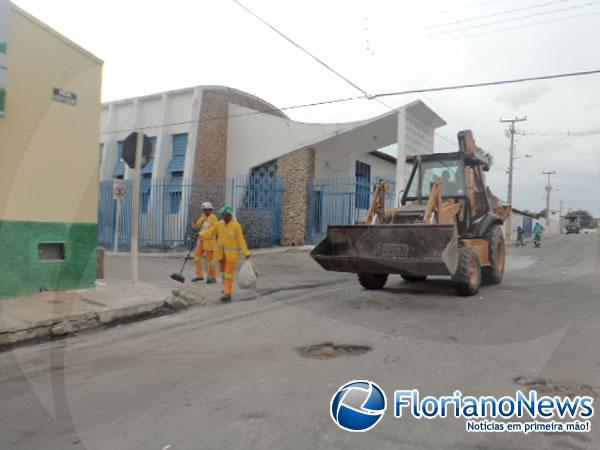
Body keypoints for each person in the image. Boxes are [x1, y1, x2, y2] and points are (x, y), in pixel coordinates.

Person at [200, 205, 250, 301]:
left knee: (228, 274)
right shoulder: (219, 224)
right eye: (222, 214)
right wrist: (200, 234)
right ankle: (226, 288)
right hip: (221, 254)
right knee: (223, 273)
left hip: (231, 255)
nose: (223, 216)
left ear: (229, 215)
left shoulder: (236, 226)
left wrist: (246, 253)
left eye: (224, 214)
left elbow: (241, 240)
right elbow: (210, 232)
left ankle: (228, 292)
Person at [191, 202, 218, 283]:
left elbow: (213, 231)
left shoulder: (214, 218)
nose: (205, 211)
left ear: (211, 210)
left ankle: (212, 277)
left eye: (206, 210)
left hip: (209, 241)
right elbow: (197, 226)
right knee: (197, 257)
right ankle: (199, 275)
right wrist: (194, 223)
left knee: (210, 261)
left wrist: (201, 234)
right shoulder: (202, 216)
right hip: (201, 240)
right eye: (203, 210)